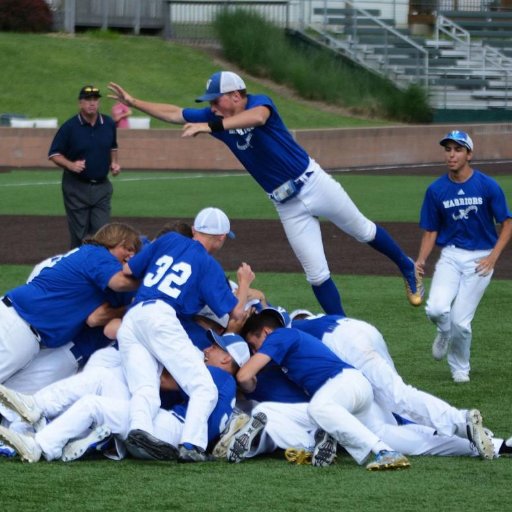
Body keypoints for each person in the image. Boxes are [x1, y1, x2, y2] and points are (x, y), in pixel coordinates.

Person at [107, 73, 423, 315]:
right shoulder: (217, 117)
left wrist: (212, 128)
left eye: (216, 100)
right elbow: (176, 113)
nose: (212, 107)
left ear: (235, 95)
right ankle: (343, 328)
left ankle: (406, 265)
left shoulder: (260, 102)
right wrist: (134, 102)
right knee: (316, 274)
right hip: (286, 204)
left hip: (312, 181)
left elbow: (257, 120)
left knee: (363, 230)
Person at [115, 206, 255, 463]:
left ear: (193, 230)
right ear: (222, 238)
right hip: (161, 318)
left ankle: (141, 432)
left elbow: (128, 271)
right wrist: (244, 282)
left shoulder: (168, 239)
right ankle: (191, 445)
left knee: (145, 387)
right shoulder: (207, 264)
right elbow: (235, 313)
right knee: (204, 387)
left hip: (133, 318)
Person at [236, 309, 411, 471]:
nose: (254, 351)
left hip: (348, 383)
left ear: (267, 332)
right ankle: (313, 444)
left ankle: (385, 451)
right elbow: (248, 382)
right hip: (341, 398)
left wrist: (248, 374)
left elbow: (244, 377)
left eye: (254, 344)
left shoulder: (280, 335)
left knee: (319, 407)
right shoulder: (283, 354)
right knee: (264, 411)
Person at [416, 130, 512, 383]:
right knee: (437, 309)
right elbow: (431, 229)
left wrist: (493, 257)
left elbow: (507, 223)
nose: (451, 154)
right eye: (448, 149)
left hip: (481, 259)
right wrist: (421, 259)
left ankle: (460, 368)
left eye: (458, 149)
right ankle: (443, 331)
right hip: (451, 255)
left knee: (462, 321)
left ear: (469, 154)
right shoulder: (436, 189)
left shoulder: (487, 185)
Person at [0, 222, 141, 385]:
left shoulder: (91, 261)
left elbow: (94, 318)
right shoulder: (98, 255)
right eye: (128, 249)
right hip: (17, 324)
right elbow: (120, 283)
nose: (132, 256)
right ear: (112, 241)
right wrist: (150, 278)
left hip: (22, 329)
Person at [48, 85, 121, 248]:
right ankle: (77, 269)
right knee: (80, 234)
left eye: (95, 99)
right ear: (80, 103)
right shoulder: (69, 127)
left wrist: (114, 162)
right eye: (87, 99)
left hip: (102, 186)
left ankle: (97, 269)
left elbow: (113, 146)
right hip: (76, 187)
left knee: (102, 234)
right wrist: (71, 165)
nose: (92, 103)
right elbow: (53, 154)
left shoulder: (108, 123)